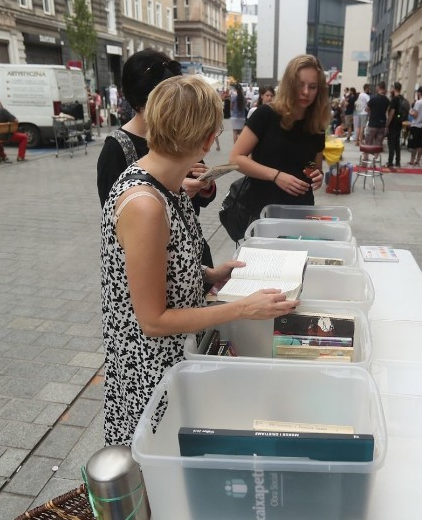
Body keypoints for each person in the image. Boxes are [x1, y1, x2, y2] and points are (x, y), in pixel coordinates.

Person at [100, 75, 298, 446]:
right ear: (208, 138)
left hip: (172, 360)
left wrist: (209, 273)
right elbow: (153, 321)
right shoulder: (145, 205)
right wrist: (242, 309)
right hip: (152, 372)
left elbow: (162, 264)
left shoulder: (167, 186)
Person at [96, 49, 218, 287]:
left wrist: (204, 186)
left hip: (188, 256)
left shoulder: (181, 135)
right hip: (157, 269)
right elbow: (118, 218)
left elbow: (199, 194)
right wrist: (171, 190)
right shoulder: (117, 150)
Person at [225, 54, 328, 225]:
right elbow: (235, 159)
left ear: (319, 90)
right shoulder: (266, 115)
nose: (305, 92)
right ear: (289, 84)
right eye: (300, 84)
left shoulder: (316, 124)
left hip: (301, 210)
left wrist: (317, 175)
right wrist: (276, 176)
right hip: (263, 210)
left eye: (312, 87)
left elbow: (312, 165)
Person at [385, 82, 406, 167]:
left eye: (391, 88)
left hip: (393, 123)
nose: (390, 90)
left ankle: (390, 162)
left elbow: (392, 112)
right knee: (397, 143)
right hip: (399, 122)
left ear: (394, 88)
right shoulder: (402, 98)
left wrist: (387, 124)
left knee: (391, 143)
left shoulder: (394, 99)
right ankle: (397, 161)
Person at [407, 86, 422, 165]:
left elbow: (415, 115)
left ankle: (412, 160)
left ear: (419, 93)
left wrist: (410, 112)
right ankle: (418, 160)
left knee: (413, 144)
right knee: (420, 144)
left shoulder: (418, 102)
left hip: (415, 125)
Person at [365, 81, 389, 146]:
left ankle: (366, 156)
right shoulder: (387, 100)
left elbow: (366, 109)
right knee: (378, 144)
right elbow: (387, 112)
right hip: (382, 125)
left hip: (372, 124)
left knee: (368, 143)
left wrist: (372, 110)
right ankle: (375, 156)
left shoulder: (373, 99)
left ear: (378, 88)